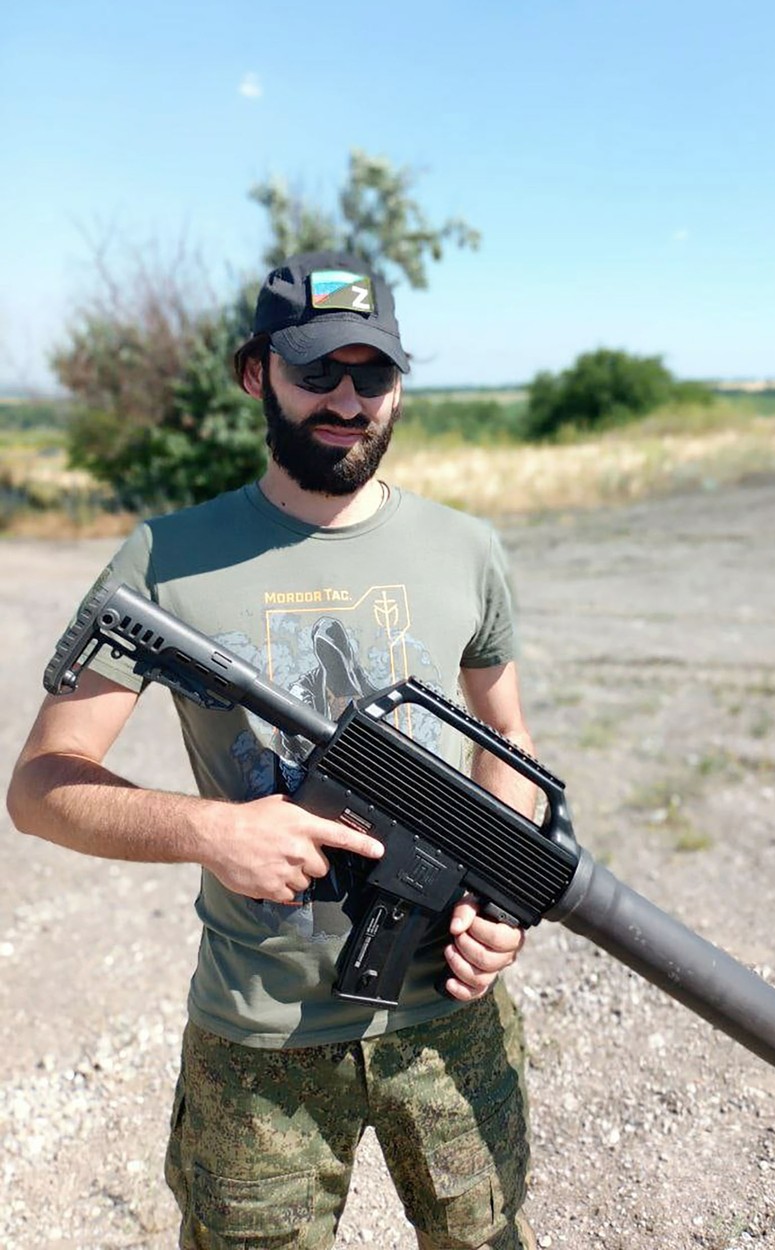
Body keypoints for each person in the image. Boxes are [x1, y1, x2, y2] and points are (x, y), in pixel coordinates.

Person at [7, 251, 538, 1250]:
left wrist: (499, 903)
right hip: (262, 1040)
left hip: (452, 1023)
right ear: (258, 374)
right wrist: (211, 829)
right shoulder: (165, 559)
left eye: (372, 372)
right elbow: (39, 785)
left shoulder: (467, 547)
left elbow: (505, 735)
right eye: (316, 370)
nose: (347, 398)